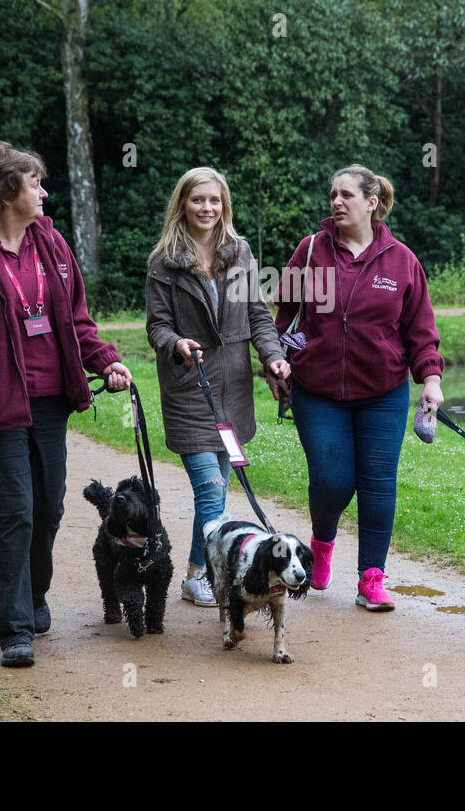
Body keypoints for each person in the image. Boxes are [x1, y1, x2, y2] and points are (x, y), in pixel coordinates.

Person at [0, 142, 131, 667]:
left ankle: (36, 593)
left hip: (50, 401)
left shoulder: (53, 246)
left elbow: (77, 320)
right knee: (15, 512)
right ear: (4, 191)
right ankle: (14, 628)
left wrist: (105, 360)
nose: (43, 191)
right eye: (34, 182)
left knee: (50, 508)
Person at [274, 165, 444, 612]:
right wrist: (279, 361)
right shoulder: (311, 251)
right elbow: (281, 317)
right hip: (317, 389)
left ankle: (371, 578)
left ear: (372, 202)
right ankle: (322, 542)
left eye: (347, 194)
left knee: (378, 483)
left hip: (383, 392)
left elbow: (421, 331)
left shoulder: (402, 260)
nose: (337, 201)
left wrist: (430, 380)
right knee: (332, 478)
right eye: (333, 194)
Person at [145, 167, 290, 606]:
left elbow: (258, 316)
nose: (206, 208)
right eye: (197, 200)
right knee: (210, 488)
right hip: (190, 389)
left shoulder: (239, 253)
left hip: (233, 391)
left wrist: (273, 356)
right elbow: (156, 326)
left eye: (214, 200)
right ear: (182, 204)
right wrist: (176, 343)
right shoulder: (163, 262)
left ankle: (194, 575)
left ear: (224, 205)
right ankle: (218, 576)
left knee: (217, 492)